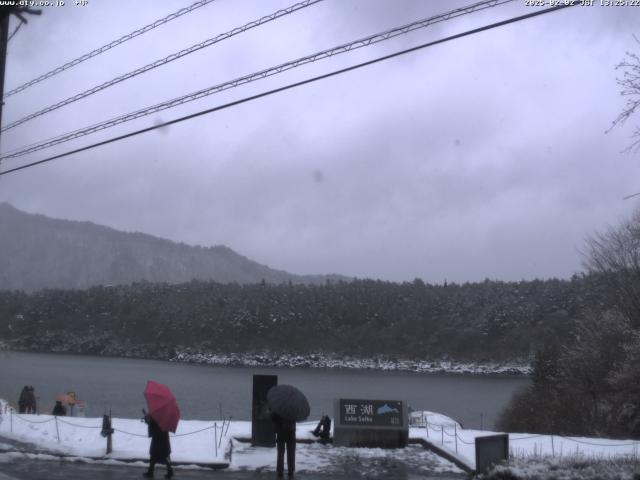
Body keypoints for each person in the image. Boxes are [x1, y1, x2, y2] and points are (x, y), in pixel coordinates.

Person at [143, 411, 173, 479]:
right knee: (166, 455)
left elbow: (152, 427)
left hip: (157, 439)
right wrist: (148, 419)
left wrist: (147, 419)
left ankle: (150, 473)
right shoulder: (166, 416)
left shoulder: (156, 415)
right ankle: (170, 471)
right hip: (164, 439)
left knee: (153, 455)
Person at [271, 412, 296, 478]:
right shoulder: (293, 409)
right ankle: (290, 471)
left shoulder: (279, 408)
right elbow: (296, 418)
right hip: (291, 432)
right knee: (291, 453)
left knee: (280, 453)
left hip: (281, 432)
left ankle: (280, 471)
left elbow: (273, 418)